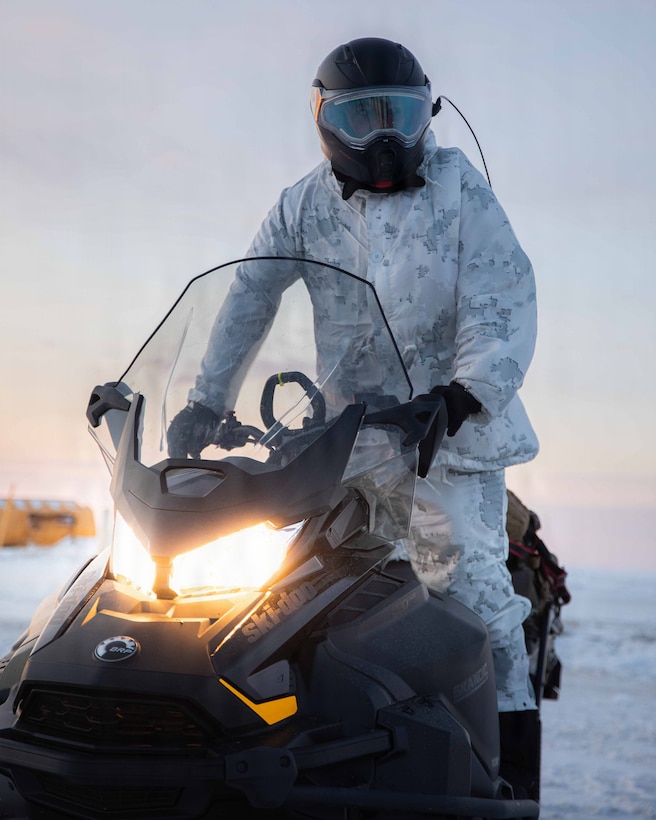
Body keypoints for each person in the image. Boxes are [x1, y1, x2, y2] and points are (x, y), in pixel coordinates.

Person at [168, 37, 540, 799]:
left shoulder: (459, 190)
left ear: (428, 114)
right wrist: (207, 399)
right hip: (347, 441)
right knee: (315, 600)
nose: (384, 138)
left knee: (472, 602)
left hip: (448, 435)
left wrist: (463, 393)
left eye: (401, 115)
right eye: (360, 117)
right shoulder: (301, 206)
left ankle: (509, 783)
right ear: (323, 121)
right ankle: (341, 768)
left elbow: (500, 294)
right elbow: (249, 295)